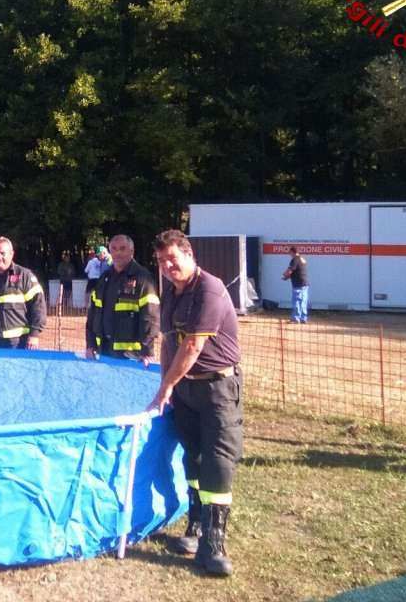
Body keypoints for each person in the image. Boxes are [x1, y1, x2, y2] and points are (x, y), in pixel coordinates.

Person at [148, 229, 242, 577]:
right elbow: (169, 343)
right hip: (185, 390)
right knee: (193, 456)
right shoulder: (171, 293)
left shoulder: (210, 289)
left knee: (218, 461)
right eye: (161, 261)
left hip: (218, 389)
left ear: (189, 255)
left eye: (172, 258)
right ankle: (196, 529)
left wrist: (163, 389)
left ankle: (215, 545)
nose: (167, 265)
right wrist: (167, 385)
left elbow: (192, 347)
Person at [85, 234, 159, 363]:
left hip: (132, 357)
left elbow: (150, 317)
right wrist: (90, 344)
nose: (118, 252)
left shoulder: (143, 278)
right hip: (104, 352)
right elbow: (93, 313)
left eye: (122, 248)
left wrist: (147, 351)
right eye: (114, 248)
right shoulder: (104, 278)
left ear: (132, 251)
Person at [0, 236, 46, 349]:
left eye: (2, 253)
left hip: (17, 343)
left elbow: (38, 305)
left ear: (11, 254)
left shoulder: (24, 276)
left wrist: (34, 334)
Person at [282, 246, 310, 324]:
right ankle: (303, 318)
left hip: (298, 283)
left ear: (292, 252)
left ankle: (295, 318)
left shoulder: (295, 259)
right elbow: (297, 271)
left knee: (296, 301)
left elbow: (290, 270)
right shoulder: (302, 259)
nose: (289, 254)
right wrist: (287, 277)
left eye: (290, 252)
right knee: (303, 301)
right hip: (305, 283)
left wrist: (285, 275)